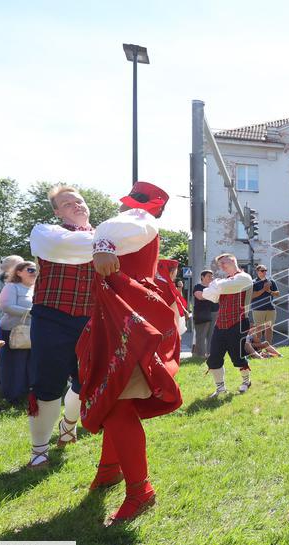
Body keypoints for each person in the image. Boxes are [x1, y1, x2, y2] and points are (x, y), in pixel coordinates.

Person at [77, 181, 183, 525]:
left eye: (133, 204)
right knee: (113, 398)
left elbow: (116, 227)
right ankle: (110, 469)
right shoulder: (134, 225)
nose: (128, 208)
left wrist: (104, 243)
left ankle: (140, 490)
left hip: (129, 320)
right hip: (118, 316)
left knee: (119, 400)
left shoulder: (138, 220)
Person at [25, 185, 97, 469]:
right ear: (57, 212)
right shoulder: (46, 233)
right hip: (51, 317)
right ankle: (38, 450)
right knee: (48, 385)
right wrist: (105, 243)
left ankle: (68, 426)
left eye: (79, 201)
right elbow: (72, 248)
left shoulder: (102, 235)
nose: (76, 205)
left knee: (85, 382)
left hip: (91, 319)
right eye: (67, 204)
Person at [201, 254, 254, 398]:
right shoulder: (225, 281)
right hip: (221, 323)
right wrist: (216, 286)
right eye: (219, 265)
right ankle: (220, 389)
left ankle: (246, 381)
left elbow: (223, 287)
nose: (221, 266)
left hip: (239, 322)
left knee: (237, 357)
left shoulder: (244, 278)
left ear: (233, 260)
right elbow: (208, 295)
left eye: (223, 262)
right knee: (214, 358)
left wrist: (215, 284)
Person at [0, 261, 37, 404]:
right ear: (19, 272)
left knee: (31, 364)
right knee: (13, 364)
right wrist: (33, 312)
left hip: (33, 332)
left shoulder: (36, 288)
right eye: (31, 270)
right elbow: (7, 307)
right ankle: (11, 394)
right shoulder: (12, 286)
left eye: (36, 270)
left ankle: (27, 393)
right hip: (12, 331)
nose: (34, 273)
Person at [250, 264, 280, 346]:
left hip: (270, 309)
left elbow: (277, 293)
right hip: (258, 309)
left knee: (269, 328)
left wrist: (269, 291)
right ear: (257, 272)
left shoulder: (271, 281)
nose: (264, 272)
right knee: (259, 329)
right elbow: (252, 295)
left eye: (265, 270)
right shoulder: (253, 282)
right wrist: (264, 289)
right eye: (262, 271)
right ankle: (258, 347)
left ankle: (268, 347)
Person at [191, 270, 219, 357]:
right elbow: (200, 296)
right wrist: (212, 294)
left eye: (212, 276)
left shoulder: (214, 287)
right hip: (202, 313)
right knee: (201, 335)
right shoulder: (197, 286)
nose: (211, 278)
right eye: (209, 276)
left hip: (214, 312)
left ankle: (210, 354)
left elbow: (218, 297)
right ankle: (200, 355)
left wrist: (211, 294)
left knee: (211, 335)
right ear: (202, 277)